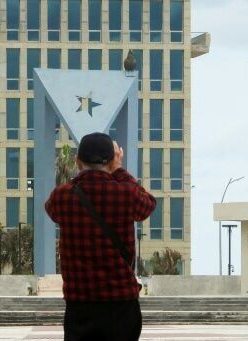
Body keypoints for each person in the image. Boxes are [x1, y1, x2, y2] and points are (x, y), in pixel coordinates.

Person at [45, 132, 156, 341]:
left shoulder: (62, 196)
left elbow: (51, 211)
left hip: (80, 304)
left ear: (77, 161)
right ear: (113, 160)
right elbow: (148, 204)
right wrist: (119, 170)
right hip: (121, 303)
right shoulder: (126, 193)